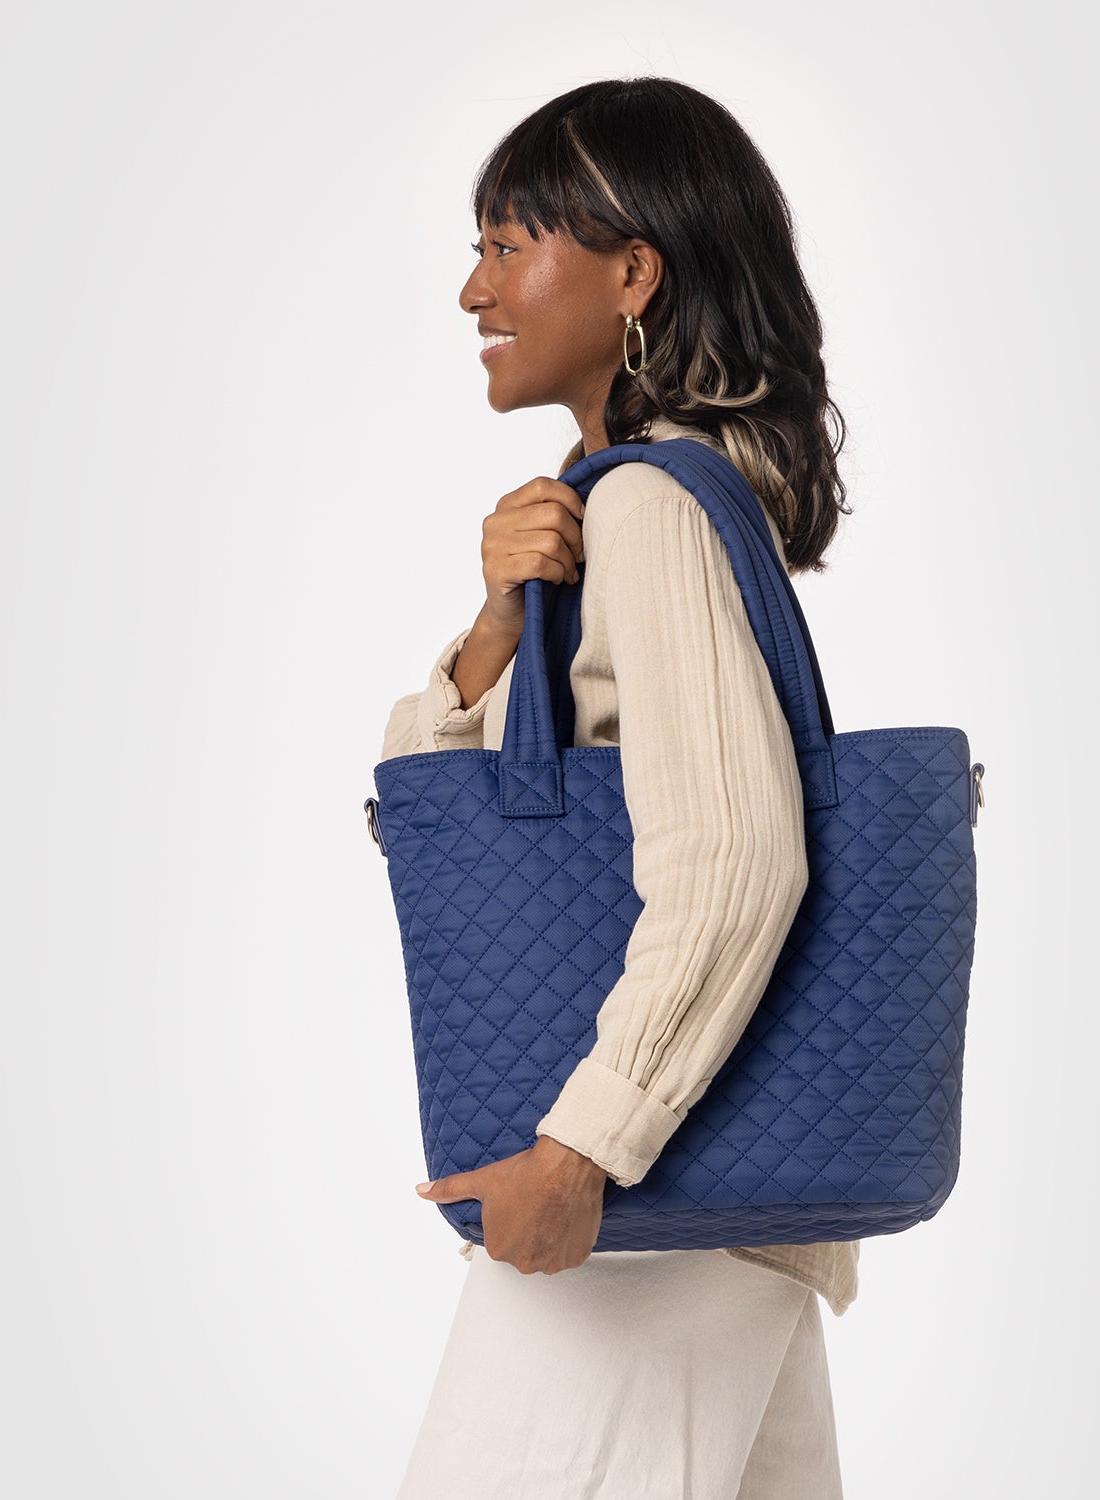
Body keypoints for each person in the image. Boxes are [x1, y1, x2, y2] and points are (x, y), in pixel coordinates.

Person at [380, 77, 857, 1499]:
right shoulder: (621, 505)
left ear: (634, 273)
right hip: (715, 1203)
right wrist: (495, 633)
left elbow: (738, 857)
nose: (475, 289)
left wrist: (584, 1148)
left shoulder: (651, 505)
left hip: (649, 1205)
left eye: (507, 245)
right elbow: (443, 822)